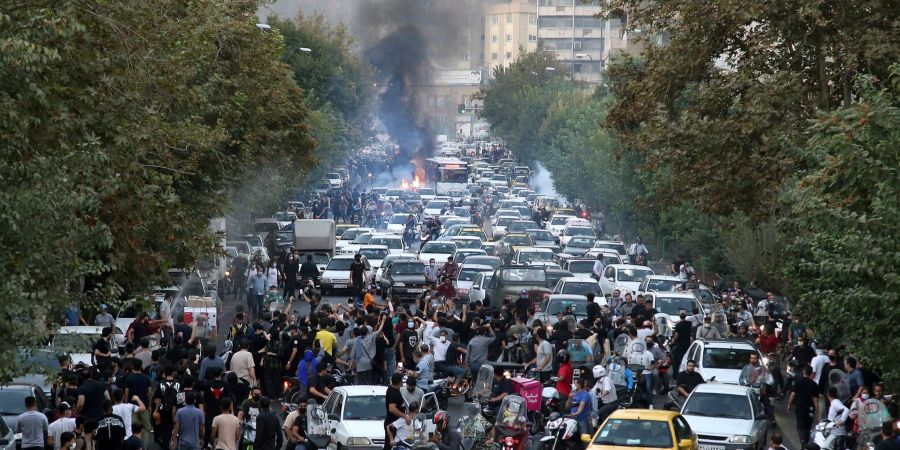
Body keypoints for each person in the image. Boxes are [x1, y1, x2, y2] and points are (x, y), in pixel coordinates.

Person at [788, 365, 820, 448]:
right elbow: (816, 401)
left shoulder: (798, 381)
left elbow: (793, 394)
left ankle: (803, 442)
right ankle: (805, 442)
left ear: (803, 372)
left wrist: (789, 405)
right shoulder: (814, 384)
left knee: (800, 426)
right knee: (808, 427)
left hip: (800, 408)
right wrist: (817, 414)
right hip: (810, 409)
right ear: (811, 373)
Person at [384, 373, 411, 450]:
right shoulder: (394, 393)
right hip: (393, 424)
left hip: (397, 424)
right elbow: (392, 408)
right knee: (391, 446)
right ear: (400, 382)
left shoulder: (392, 389)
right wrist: (405, 416)